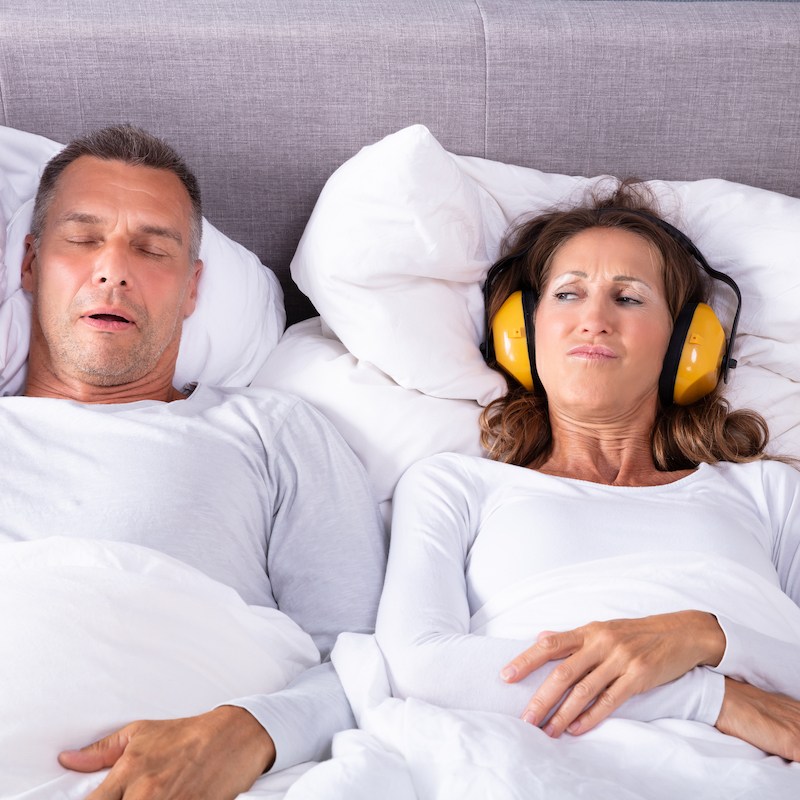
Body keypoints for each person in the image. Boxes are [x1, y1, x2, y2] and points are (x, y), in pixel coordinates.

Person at [1, 124, 387, 797]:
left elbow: (367, 660)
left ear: (192, 289)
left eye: (152, 249)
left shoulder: (269, 430)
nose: (113, 268)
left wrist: (249, 731)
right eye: (84, 238)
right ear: (30, 263)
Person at [374, 180, 800, 762]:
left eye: (628, 298)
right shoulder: (454, 485)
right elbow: (422, 668)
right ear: (520, 335)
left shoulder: (771, 493)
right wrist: (709, 696)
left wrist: (704, 634)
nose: (593, 320)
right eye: (569, 295)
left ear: (686, 345)